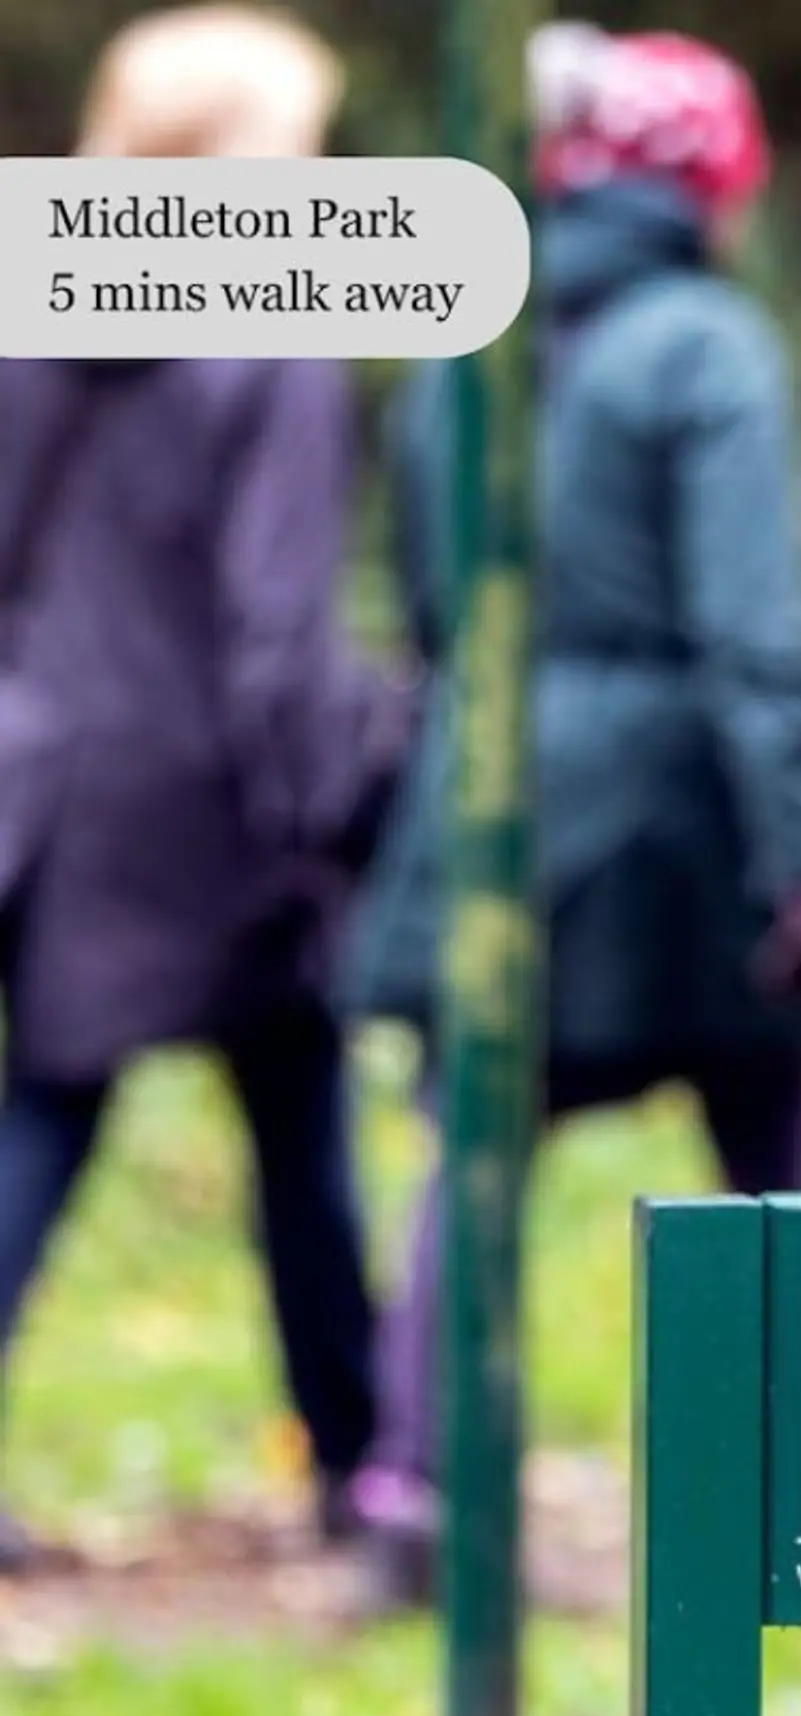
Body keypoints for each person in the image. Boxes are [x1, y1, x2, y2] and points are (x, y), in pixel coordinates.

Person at [342, 22, 801, 1605]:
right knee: (767, 1131)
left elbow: (428, 598)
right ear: (711, 186)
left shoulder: (464, 344)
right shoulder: (708, 348)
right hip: (674, 817)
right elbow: (756, 630)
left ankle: (415, 1494)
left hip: (484, 786)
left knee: (476, 1146)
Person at [0, 5, 412, 1572]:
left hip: (56, 780)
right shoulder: (274, 341)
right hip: (221, 798)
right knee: (301, 1132)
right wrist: (339, 804)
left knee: (48, 1111)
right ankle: (362, 1464)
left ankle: (357, 1451)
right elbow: (277, 628)